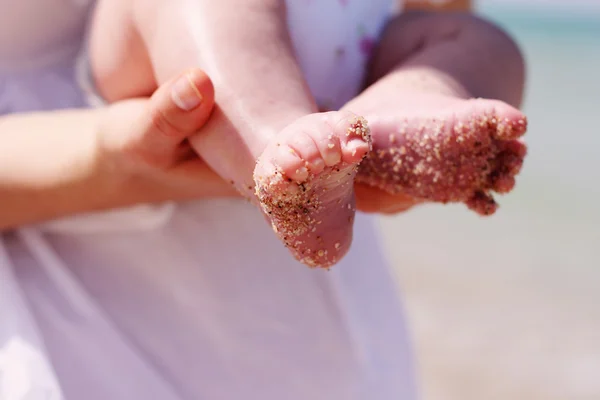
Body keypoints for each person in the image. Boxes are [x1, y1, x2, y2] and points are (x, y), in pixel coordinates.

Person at [1, 1, 418, 399]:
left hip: (315, 312)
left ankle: (419, 108)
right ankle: (278, 156)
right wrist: (111, 158)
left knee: (462, 37)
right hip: (82, 302)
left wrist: (434, 73)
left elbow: (433, 14)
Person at [90, 0, 528, 267]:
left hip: (358, 50)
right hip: (176, 41)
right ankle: (275, 149)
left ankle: (401, 105)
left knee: (484, 39)